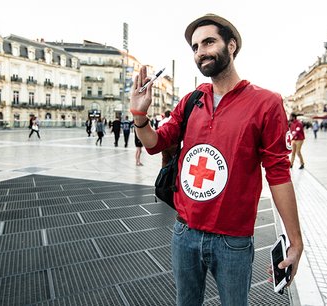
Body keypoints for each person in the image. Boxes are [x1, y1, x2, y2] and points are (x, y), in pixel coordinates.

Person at [129, 14, 302, 305]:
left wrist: (295, 241)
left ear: (231, 45)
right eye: (195, 47)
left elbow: (278, 173)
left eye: (208, 42)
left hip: (233, 240)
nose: (200, 52)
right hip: (184, 232)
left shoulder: (266, 102)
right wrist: (139, 116)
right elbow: (156, 143)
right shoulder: (192, 99)